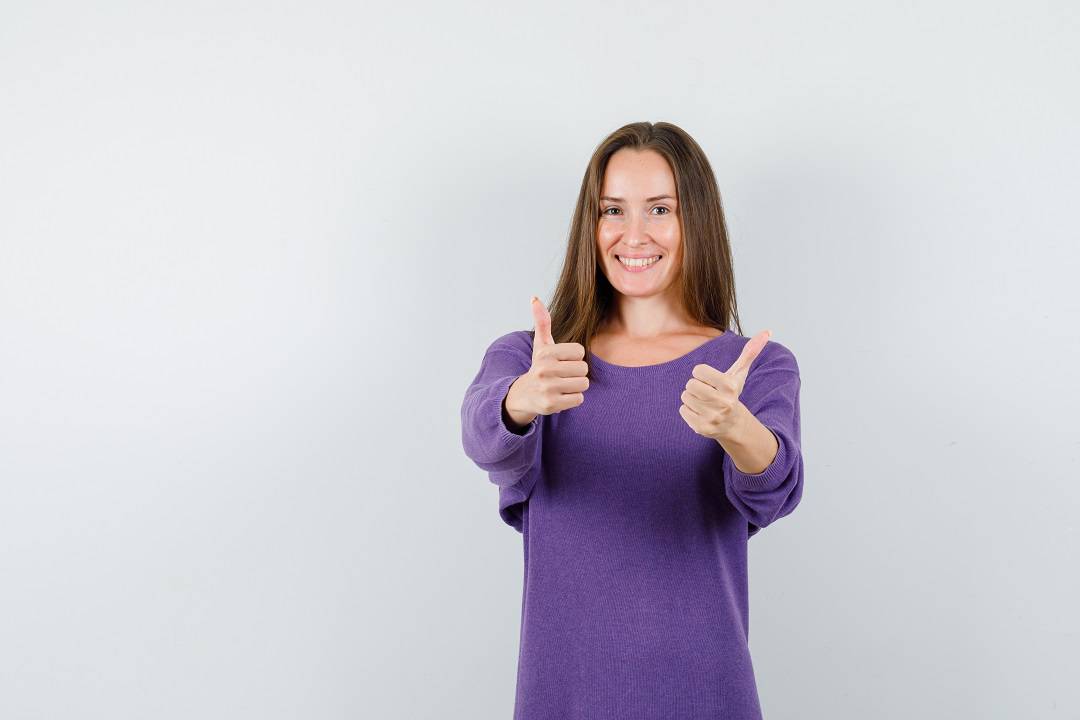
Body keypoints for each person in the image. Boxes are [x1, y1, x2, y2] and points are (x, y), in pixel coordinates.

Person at [460, 121, 804, 720]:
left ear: (694, 219)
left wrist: (735, 426)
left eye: (660, 208)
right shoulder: (537, 358)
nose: (633, 233)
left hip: (704, 694)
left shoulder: (753, 368)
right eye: (612, 210)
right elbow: (483, 437)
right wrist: (521, 399)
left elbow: (775, 484)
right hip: (563, 695)